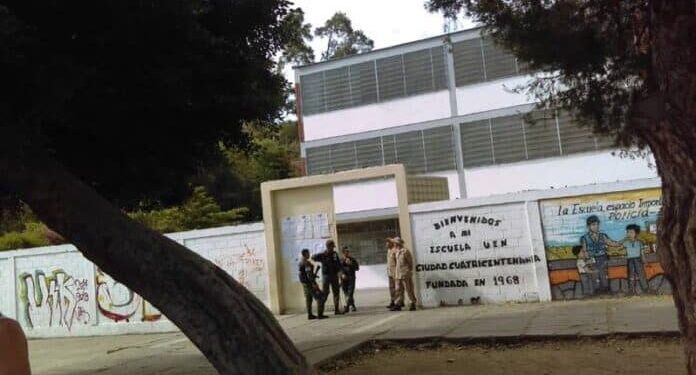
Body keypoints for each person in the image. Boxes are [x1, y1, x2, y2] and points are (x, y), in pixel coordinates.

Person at [580, 215, 620, 294]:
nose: (596, 226)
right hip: (592, 258)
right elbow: (585, 250)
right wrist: (588, 260)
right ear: (588, 226)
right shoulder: (584, 238)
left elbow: (611, 243)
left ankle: (605, 289)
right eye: (593, 225)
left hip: (603, 257)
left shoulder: (603, 235)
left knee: (604, 274)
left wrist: (621, 242)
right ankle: (597, 291)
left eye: (597, 224)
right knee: (595, 275)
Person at [312, 240, 344, 315]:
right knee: (325, 293)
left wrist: (340, 272)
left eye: (333, 247)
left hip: (334, 276)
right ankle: (320, 311)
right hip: (326, 276)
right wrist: (321, 257)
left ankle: (336, 310)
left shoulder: (335, 254)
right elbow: (313, 257)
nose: (333, 248)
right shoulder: (323, 254)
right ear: (328, 246)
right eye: (332, 247)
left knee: (336, 292)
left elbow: (339, 264)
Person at [298, 249, 327, 320]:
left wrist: (314, 275)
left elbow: (304, 274)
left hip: (305, 283)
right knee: (320, 297)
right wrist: (313, 283)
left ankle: (310, 315)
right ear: (305, 254)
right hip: (309, 283)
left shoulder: (301, 262)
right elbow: (309, 274)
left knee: (309, 299)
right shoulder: (306, 263)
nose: (309, 254)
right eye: (308, 253)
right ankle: (320, 314)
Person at [390, 237, 417, 311]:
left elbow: (410, 262)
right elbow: (394, 263)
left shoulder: (405, 251)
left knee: (408, 289)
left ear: (398, 243)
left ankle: (412, 303)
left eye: (394, 243)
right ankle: (398, 304)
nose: (393, 244)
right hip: (398, 274)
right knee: (398, 289)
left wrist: (409, 271)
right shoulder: (395, 252)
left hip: (405, 273)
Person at [623, 224, 649, 294]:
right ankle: (631, 290)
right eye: (628, 232)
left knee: (641, 274)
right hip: (630, 260)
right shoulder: (626, 242)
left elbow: (642, 253)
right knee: (631, 275)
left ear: (636, 233)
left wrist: (645, 261)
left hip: (638, 260)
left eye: (631, 232)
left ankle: (645, 288)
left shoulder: (639, 242)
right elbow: (623, 252)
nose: (629, 234)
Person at [340, 246, 360, 313]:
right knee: (346, 293)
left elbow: (357, 268)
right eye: (346, 251)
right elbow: (338, 269)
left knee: (350, 293)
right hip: (343, 279)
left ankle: (347, 307)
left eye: (348, 251)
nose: (347, 253)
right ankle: (352, 305)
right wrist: (342, 274)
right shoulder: (340, 260)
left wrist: (351, 264)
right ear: (343, 252)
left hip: (351, 278)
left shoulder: (352, 259)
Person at [386, 239, 397, 309]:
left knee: (397, 288)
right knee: (391, 288)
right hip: (390, 273)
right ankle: (393, 301)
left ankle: (398, 302)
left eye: (387, 243)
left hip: (395, 273)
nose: (386, 244)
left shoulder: (394, 251)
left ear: (391, 244)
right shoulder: (389, 251)